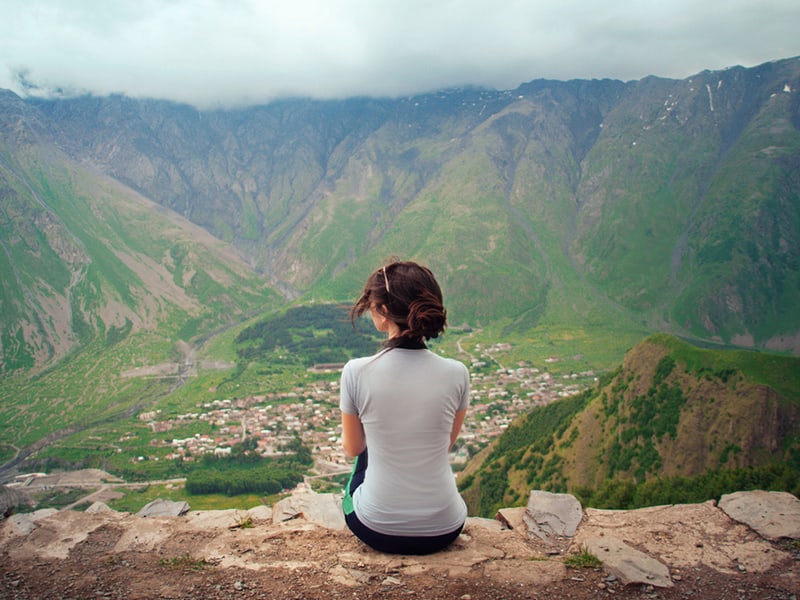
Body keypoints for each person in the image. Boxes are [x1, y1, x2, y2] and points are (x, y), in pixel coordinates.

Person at [339, 259, 470, 555]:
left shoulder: (356, 372)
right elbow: (444, 443)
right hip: (446, 528)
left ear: (383, 311)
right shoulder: (458, 373)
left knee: (367, 452)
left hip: (375, 529)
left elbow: (353, 448)